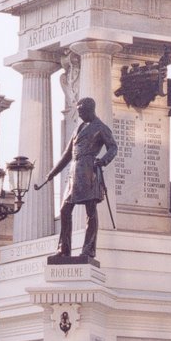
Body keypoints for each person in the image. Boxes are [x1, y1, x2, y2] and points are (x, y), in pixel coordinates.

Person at [43, 97, 117, 259]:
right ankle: (64, 249)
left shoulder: (101, 127)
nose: (80, 115)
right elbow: (67, 154)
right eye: (79, 112)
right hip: (75, 173)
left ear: (91, 110)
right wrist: (53, 173)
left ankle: (89, 249)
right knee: (64, 210)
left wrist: (103, 160)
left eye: (82, 112)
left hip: (90, 171)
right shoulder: (79, 128)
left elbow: (113, 147)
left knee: (90, 211)